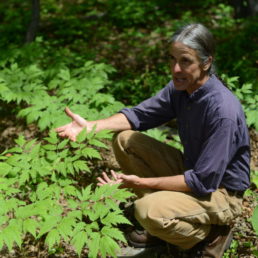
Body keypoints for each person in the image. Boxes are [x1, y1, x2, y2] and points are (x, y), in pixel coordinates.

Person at [56, 23, 250, 257]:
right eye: (172, 59)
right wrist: (91, 127)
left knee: (146, 210)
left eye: (185, 61)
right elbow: (139, 115)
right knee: (126, 141)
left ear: (206, 62)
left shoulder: (222, 112)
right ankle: (167, 222)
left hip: (220, 193)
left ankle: (210, 236)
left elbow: (203, 182)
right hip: (193, 174)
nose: (175, 68)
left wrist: (141, 183)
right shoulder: (182, 88)